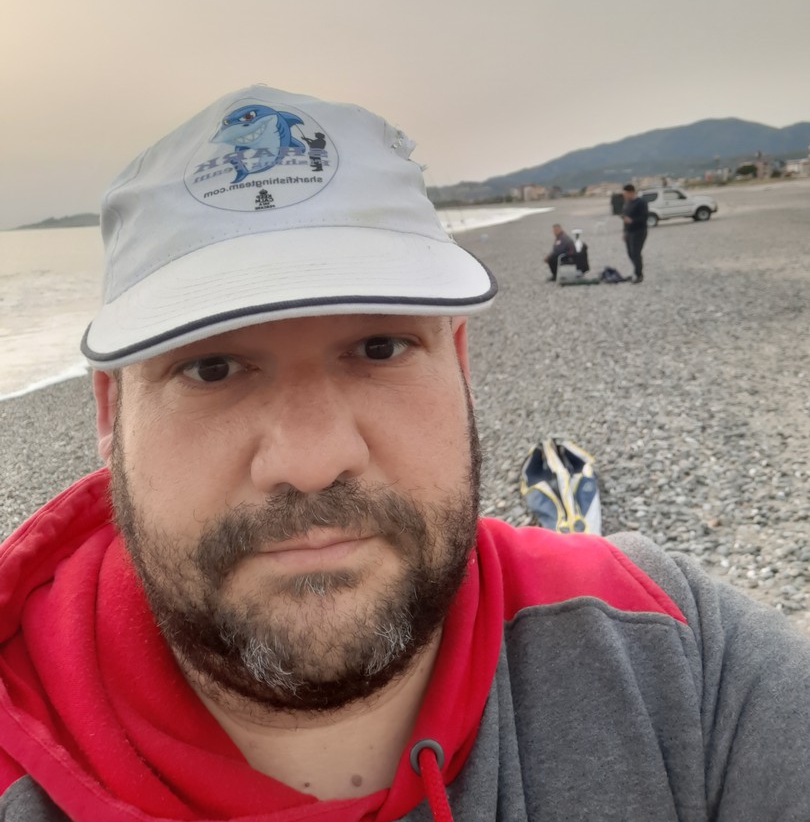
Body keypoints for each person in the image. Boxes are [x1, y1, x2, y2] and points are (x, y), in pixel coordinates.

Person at [1, 85, 810, 822]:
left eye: (379, 347)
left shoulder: (679, 661)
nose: (313, 461)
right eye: (211, 368)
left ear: (460, 364)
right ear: (110, 411)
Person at [621, 183, 649, 282]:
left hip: (639, 231)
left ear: (631, 192)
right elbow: (625, 218)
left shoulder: (641, 202)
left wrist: (632, 221)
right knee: (630, 253)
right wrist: (624, 232)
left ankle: (639, 275)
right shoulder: (627, 203)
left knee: (635, 253)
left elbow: (644, 217)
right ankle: (636, 270)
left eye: (625, 194)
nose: (624, 196)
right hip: (629, 232)